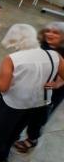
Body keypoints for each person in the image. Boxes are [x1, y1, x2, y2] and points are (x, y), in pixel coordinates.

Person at [0, 24, 64, 162]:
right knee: (16, 130)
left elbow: (3, 87)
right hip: (37, 102)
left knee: (0, 130)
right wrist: (56, 84)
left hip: (14, 102)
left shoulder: (12, 58)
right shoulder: (54, 55)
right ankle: (5, 153)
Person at [15, 23, 64, 153]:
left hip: (53, 90)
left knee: (40, 115)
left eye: (55, 33)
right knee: (25, 110)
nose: (49, 34)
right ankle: (16, 133)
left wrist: (58, 84)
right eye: (48, 31)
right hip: (36, 84)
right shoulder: (42, 45)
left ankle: (32, 138)